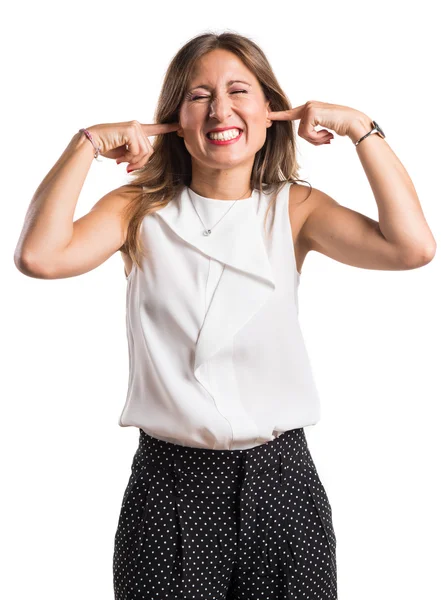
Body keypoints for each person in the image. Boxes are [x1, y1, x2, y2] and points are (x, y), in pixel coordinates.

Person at [14, 31, 436, 600]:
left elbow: (411, 248)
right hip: (170, 486)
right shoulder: (137, 209)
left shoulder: (294, 208)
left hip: (282, 482)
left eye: (239, 91)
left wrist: (362, 128)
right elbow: (39, 257)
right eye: (198, 96)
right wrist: (85, 144)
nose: (221, 109)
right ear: (174, 120)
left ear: (270, 112)